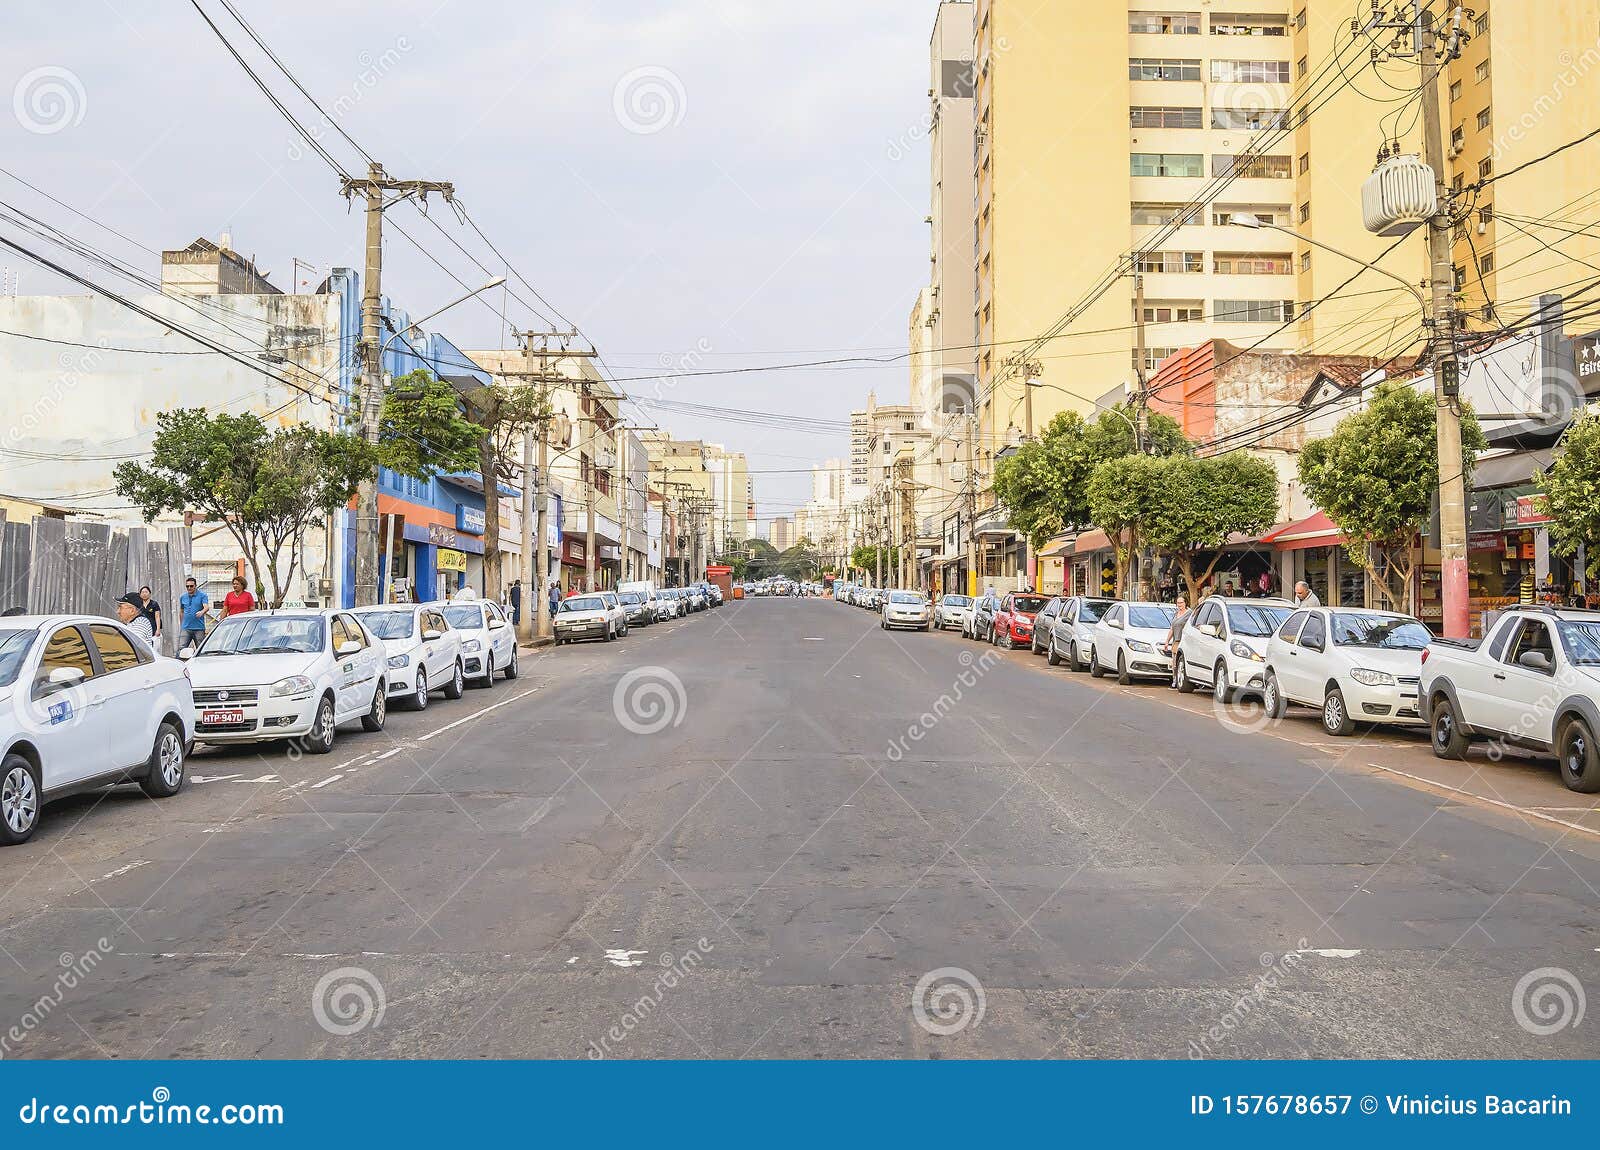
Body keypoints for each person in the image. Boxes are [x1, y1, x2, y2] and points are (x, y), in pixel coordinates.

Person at [177, 576, 210, 652]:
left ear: (195, 586)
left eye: (191, 586)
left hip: (199, 628)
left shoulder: (202, 596)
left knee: (200, 650)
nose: (189, 588)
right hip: (186, 628)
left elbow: (207, 607)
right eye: (187, 586)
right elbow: (181, 611)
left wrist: (202, 612)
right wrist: (182, 625)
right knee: (180, 650)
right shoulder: (183, 597)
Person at [1165, 594, 1190, 687]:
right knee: (1174, 662)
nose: (1179, 605)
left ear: (1185, 603)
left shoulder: (1189, 613)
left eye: (1181, 603)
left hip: (1184, 641)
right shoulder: (1176, 614)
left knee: (1181, 662)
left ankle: (1182, 680)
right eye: (1178, 603)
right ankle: (1175, 680)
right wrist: (1167, 641)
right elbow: (1172, 628)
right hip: (1176, 641)